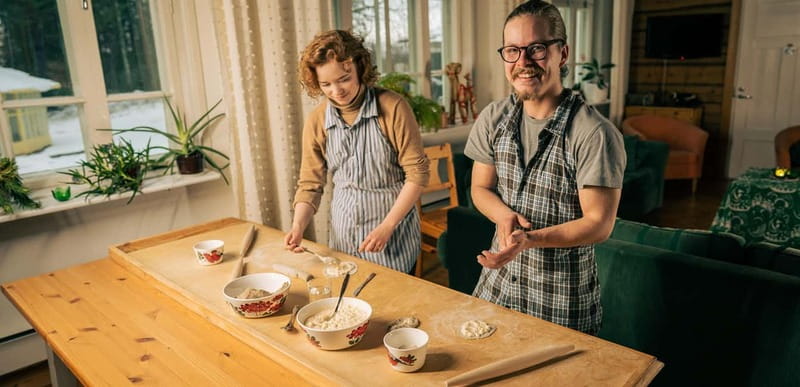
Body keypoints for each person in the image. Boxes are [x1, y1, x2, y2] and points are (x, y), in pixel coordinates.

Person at [463, 0, 625, 334]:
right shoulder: (493, 118)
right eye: (512, 50)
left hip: (560, 298)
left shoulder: (594, 133)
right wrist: (503, 216)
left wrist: (530, 239)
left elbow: (599, 224)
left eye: (536, 49)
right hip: (498, 283)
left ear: (562, 54)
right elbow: (480, 188)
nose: (522, 62)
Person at [285, 30, 429, 274]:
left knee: (394, 306)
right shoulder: (317, 120)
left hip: (392, 233)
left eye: (344, 79)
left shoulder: (393, 107)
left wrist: (388, 226)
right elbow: (310, 184)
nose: (336, 91)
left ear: (360, 69)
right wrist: (298, 226)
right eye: (326, 84)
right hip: (344, 236)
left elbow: (417, 175)